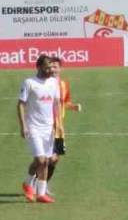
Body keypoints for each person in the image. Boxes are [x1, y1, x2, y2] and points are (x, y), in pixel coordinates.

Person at [18, 55, 61, 204]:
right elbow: (21, 104)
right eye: (47, 67)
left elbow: (56, 104)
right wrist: (23, 126)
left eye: (51, 67)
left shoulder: (54, 82)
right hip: (34, 127)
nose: (50, 70)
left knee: (47, 161)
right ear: (39, 67)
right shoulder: (29, 83)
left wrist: (58, 124)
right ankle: (27, 183)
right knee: (40, 159)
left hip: (48, 128)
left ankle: (41, 193)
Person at [47, 56, 82, 188]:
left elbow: (64, 102)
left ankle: (42, 186)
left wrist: (73, 107)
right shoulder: (44, 83)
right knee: (46, 159)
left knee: (55, 160)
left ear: (60, 69)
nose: (53, 69)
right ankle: (34, 184)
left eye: (56, 67)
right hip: (47, 126)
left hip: (59, 127)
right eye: (51, 67)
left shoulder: (63, 84)